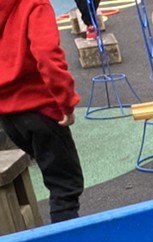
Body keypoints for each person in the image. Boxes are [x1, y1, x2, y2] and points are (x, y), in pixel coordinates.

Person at [0, 0, 84, 223]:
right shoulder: (34, 5)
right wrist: (66, 101)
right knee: (65, 186)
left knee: (54, 175)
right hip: (39, 108)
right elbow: (47, 55)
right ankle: (66, 241)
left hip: (8, 115)